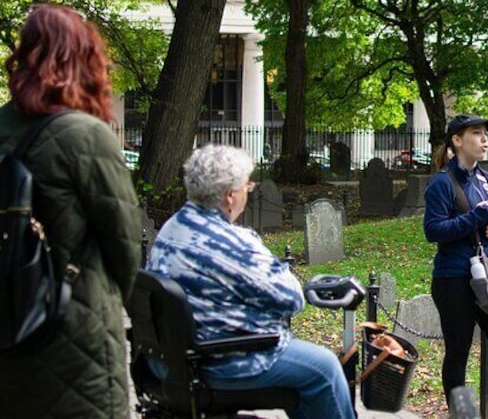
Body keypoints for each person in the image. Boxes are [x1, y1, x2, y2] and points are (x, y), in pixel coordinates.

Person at [0, 4, 142, 418]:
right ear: (83, 60)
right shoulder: (85, 135)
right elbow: (125, 247)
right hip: (74, 331)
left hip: (9, 324)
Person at [146, 144, 355, 419]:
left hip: (169, 360)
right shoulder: (231, 243)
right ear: (231, 196)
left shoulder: (174, 226)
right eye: (248, 185)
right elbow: (291, 300)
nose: (249, 190)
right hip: (219, 360)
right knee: (324, 368)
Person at [424, 114, 488, 418]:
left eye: (485, 134)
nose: (484, 140)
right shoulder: (441, 183)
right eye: (477, 133)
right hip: (453, 280)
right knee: (458, 354)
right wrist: (473, 219)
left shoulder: (487, 180)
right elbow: (433, 230)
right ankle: (463, 414)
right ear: (457, 140)